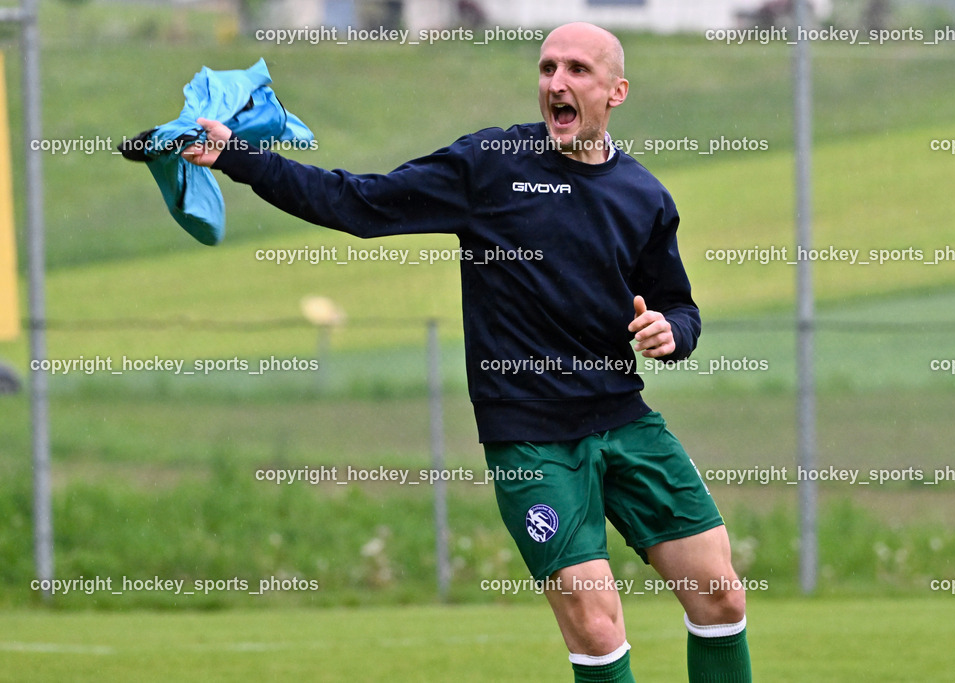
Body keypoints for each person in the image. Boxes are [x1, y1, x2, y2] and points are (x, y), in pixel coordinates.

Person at [185, 21, 752, 682]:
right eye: (547, 68)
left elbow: (679, 307)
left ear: (616, 91)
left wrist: (671, 333)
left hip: (625, 420)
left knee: (720, 595)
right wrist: (239, 157)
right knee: (596, 623)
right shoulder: (490, 166)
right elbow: (358, 203)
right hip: (532, 438)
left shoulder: (643, 195)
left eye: (576, 70)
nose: (557, 82)